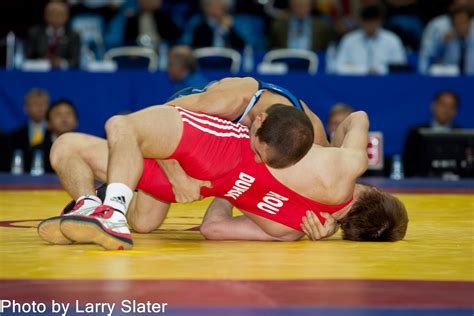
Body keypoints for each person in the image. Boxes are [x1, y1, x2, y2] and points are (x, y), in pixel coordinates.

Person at [39, 105, 408, 249]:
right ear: (348, 231)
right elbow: (213, 230)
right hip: (202, 182)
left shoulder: (344, 167)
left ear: (373, 191)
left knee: (118, 126)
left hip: (219, 147)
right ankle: (91, 206)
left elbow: (358, 116)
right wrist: (230, 192)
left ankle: (108, 211)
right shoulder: (291, 229)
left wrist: (330, 146)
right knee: (145, 220)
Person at [334, 4, 406, 75]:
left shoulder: (392, 40)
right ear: (361, 21)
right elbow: (339, 66)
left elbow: (400, 66)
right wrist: (364, 70)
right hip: (356, 82)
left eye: (373, 22)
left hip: (385, 82)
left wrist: (380, 70)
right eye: (367, 22)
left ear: (380, 21)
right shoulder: (349, 40)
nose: (370, 26)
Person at [402, 90, 460, 177]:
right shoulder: (417, 133)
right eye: (443, 105)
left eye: (451, 107)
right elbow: (408, 165)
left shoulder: (461, 134)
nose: (446, 110)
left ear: (456, 111)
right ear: (433, 106)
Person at [418, 0, 474, 74]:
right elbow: (427, 56)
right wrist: (442, 43)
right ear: (452, 23)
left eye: (463, 22)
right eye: (457, 23)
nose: (461, 26)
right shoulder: (441, 30)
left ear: (469, 22)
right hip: (448, 77)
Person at [25, 1, 81, 68]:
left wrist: (61, 63)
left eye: (60, 14)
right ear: (45, 15)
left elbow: (76, 61)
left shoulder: (73, 35)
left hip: (65, 75)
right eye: (52, 14)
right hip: (39, 74)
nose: (56, 17)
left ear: (67, 16)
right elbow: (27, 58)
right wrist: (43, 61)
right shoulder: (35, 33)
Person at [6, 89, 50, 173]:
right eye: (35, 104)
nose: (40, 107)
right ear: (25, 108)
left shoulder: (55, 134)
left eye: (43, 104)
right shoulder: (15, 135)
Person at [269, 0, 334, 51]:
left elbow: (327, 49)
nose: (301, 10)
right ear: (292, 6)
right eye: (298, 6)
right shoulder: (279, 25)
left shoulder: (322, 26)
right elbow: (272, 48)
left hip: (313, 63)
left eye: (304, 6)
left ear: (310, 6)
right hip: (285, 62)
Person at [41, 99, 79, 172]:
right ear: (47, 123)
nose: (64, 118)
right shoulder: (37, 151)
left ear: (77, 122)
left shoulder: (87, 148)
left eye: (68, 113)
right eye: (58, 114)